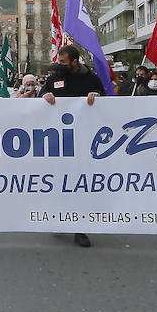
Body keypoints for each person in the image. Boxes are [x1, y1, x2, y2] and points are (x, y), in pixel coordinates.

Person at [40, 45, 103, 248]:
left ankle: (80, 228)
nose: (60, 64)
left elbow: (105, 97)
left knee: (79, 184)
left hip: (84, 140)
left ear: (75, 61)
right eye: (60, 61)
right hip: (59, 140)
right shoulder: (54, 78)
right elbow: (43, 94)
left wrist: (98, 97)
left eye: (64, 61)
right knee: (60, 182)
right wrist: (44, 97)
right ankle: (60, 217)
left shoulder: (90, 78)